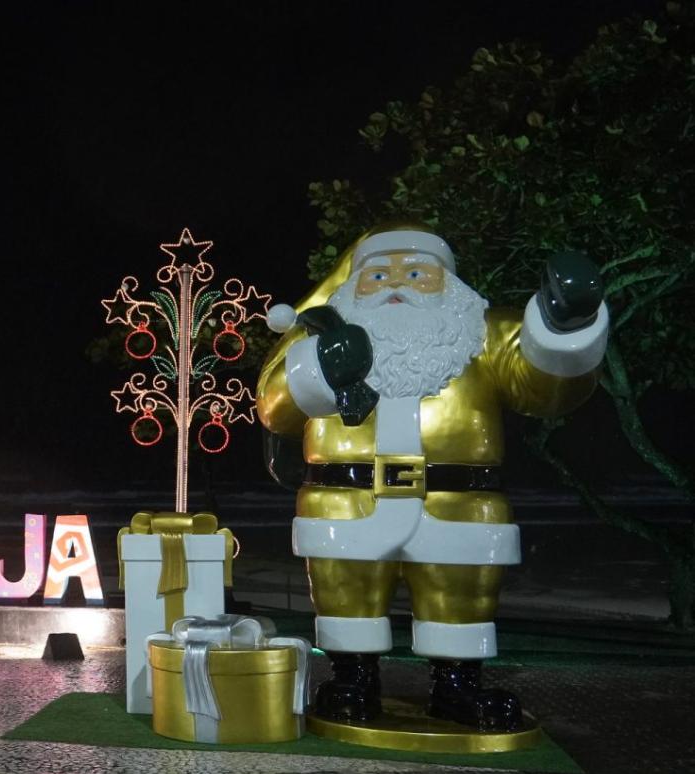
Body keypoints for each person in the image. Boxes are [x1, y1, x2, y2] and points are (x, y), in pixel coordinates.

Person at [256, 223, 607, 731]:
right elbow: (274, 408)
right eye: (377, 274)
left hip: (458, 499)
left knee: (460, 595)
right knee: (345, 592)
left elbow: (545, 390)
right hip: (345, 497)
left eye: (417, 272)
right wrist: (318, 369)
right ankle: (353, 679)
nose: (395, 284)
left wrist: (564, 322)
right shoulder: (319, 337)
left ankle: (458, 688)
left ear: (448, 282)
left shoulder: (485, 333)